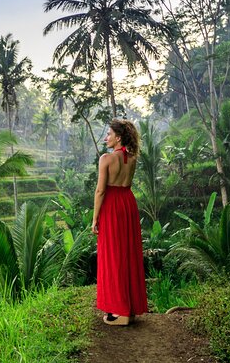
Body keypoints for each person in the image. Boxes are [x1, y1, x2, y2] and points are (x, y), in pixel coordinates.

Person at [91, 119, 147, 326]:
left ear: (118, 137)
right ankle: (129, 310)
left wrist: (95, 217)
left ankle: (120, 312)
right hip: (128, 204)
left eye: (109, 134)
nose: (106, 138)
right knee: (128, 254)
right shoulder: (132, 158)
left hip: (112, 205)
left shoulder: (106, 159)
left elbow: (100, 190)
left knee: (112, 256)